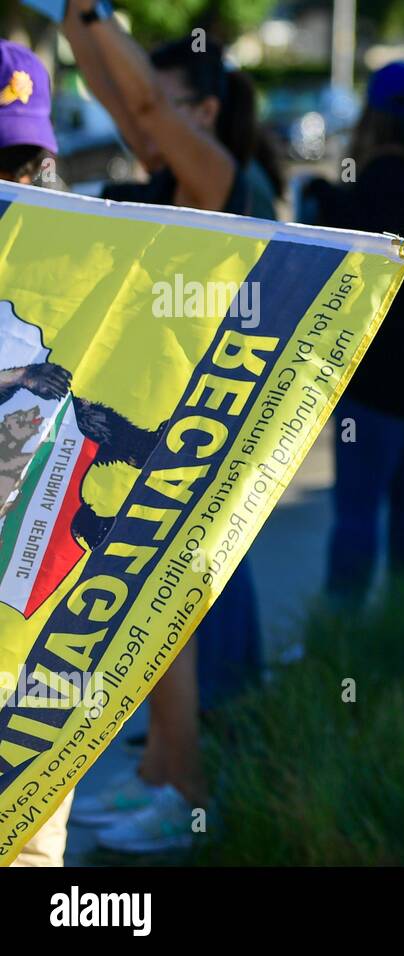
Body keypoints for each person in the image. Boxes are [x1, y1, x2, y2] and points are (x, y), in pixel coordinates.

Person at [60, 2, 275, 853]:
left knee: (173, 614)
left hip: (201, 423)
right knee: (162, 614)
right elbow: (126, 103)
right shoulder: (167, 175)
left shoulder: (228, 184)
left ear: (206, 110)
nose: (140, 106)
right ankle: (159, 774)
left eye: (163, 92)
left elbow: (142, 106)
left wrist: (89, 9)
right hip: (159, 414)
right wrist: (77, 29)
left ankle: (184, 790)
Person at [312, 63, 404, 597]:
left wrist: (328, 204)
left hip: (377, 370)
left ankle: (342, 630)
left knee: (357, 509)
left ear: (371, 111)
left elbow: (356, 267)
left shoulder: (375, 175)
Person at [0, 38, 72, 868]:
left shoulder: (88, 270)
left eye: (22, 165)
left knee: (29, 852)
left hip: (31, 636)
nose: (12, 188)